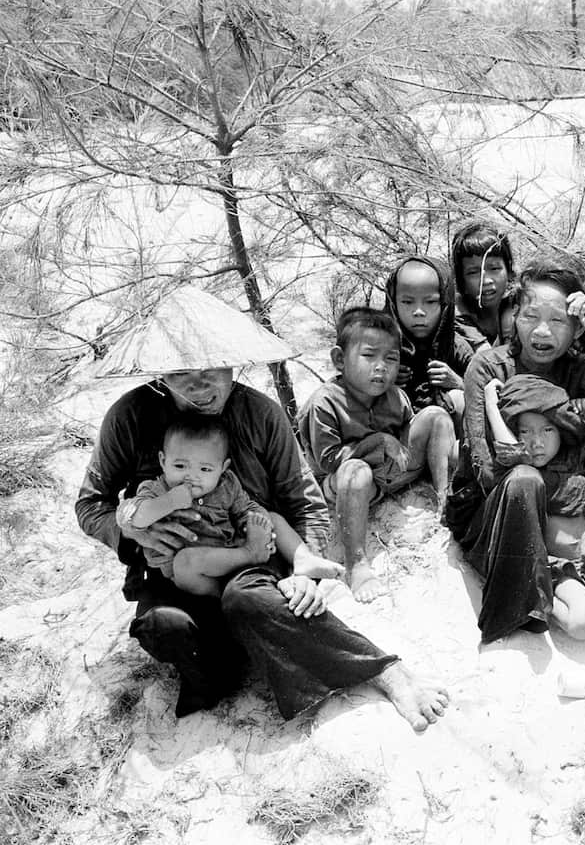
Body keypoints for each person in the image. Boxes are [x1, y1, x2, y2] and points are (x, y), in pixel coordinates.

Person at [76, 289, 449, 728]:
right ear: (161, 375)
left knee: (247, 601)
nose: (202, 386)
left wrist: (305, 570)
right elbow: (90, 505)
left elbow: (303, 500)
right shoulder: (130, 417)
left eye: (214, 369)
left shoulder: (260, 414)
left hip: (247, 560)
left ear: (233, 361)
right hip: (172, 569)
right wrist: (135, 532)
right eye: (184, 374)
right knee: (165, 626)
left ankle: (384, 670)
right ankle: (228, 659)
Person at [445, 257, 585, 644]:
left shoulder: (579, 369)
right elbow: (489, 472)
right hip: (496, 512)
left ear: (576, 330)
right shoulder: (489, 367)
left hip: (563, 514)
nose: (541, 330)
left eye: (558, 320)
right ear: (514, 318)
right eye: (530, 316)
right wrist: (577, 488)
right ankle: (525, 601)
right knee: (523, 478)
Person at [296, 307, 445, 602]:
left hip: (394, 472)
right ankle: (357, 564)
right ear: (340, 359)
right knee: (356, 472)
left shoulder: (396, 396)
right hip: (348, 482)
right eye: (369, 356)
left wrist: (399, 443)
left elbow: (409, 433)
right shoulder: (324, 401)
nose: (381, 367)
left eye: (391, 358)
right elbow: (327, 460)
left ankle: (445, 499)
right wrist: (378, 442)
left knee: (436, 416)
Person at [483, 374, 585, 640]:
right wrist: (492, 407)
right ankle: (540, 604)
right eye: (524, 431)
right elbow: (513, 452)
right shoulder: (517, 476)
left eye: (547, 430)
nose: (536, 442)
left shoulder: (573, 459)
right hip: (562, 571)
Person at [117, 418, 276, 597]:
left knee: (273, 518)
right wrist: (169, 501)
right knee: (185, 561)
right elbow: (130, 517)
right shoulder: (156, 490)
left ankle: (296, 564)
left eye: (205, 470)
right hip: (192, 576)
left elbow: (245, 508)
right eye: (180, 466)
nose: (191, 477)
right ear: (163, 461)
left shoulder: (226, 484)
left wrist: (252, 524)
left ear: (223, 468)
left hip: (229, 558)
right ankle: (244, 567)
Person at [383, 256, 472, 506]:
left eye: (430, 302)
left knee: (460, 398)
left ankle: (449, 492)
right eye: (407, 302)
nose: (418, 312)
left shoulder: (455, 344)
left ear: (444, 303)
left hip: (449, 445)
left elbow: (484, 391)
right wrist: (385, 384)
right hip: (402, 450)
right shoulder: (382, 347)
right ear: (393, 302)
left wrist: (457, 382)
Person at [452, 221, 517, 352]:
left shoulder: (521, 306)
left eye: (494, 268)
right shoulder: (454, 315)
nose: (486, 281)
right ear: (461, 280)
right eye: (473, 272)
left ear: (509, 271)